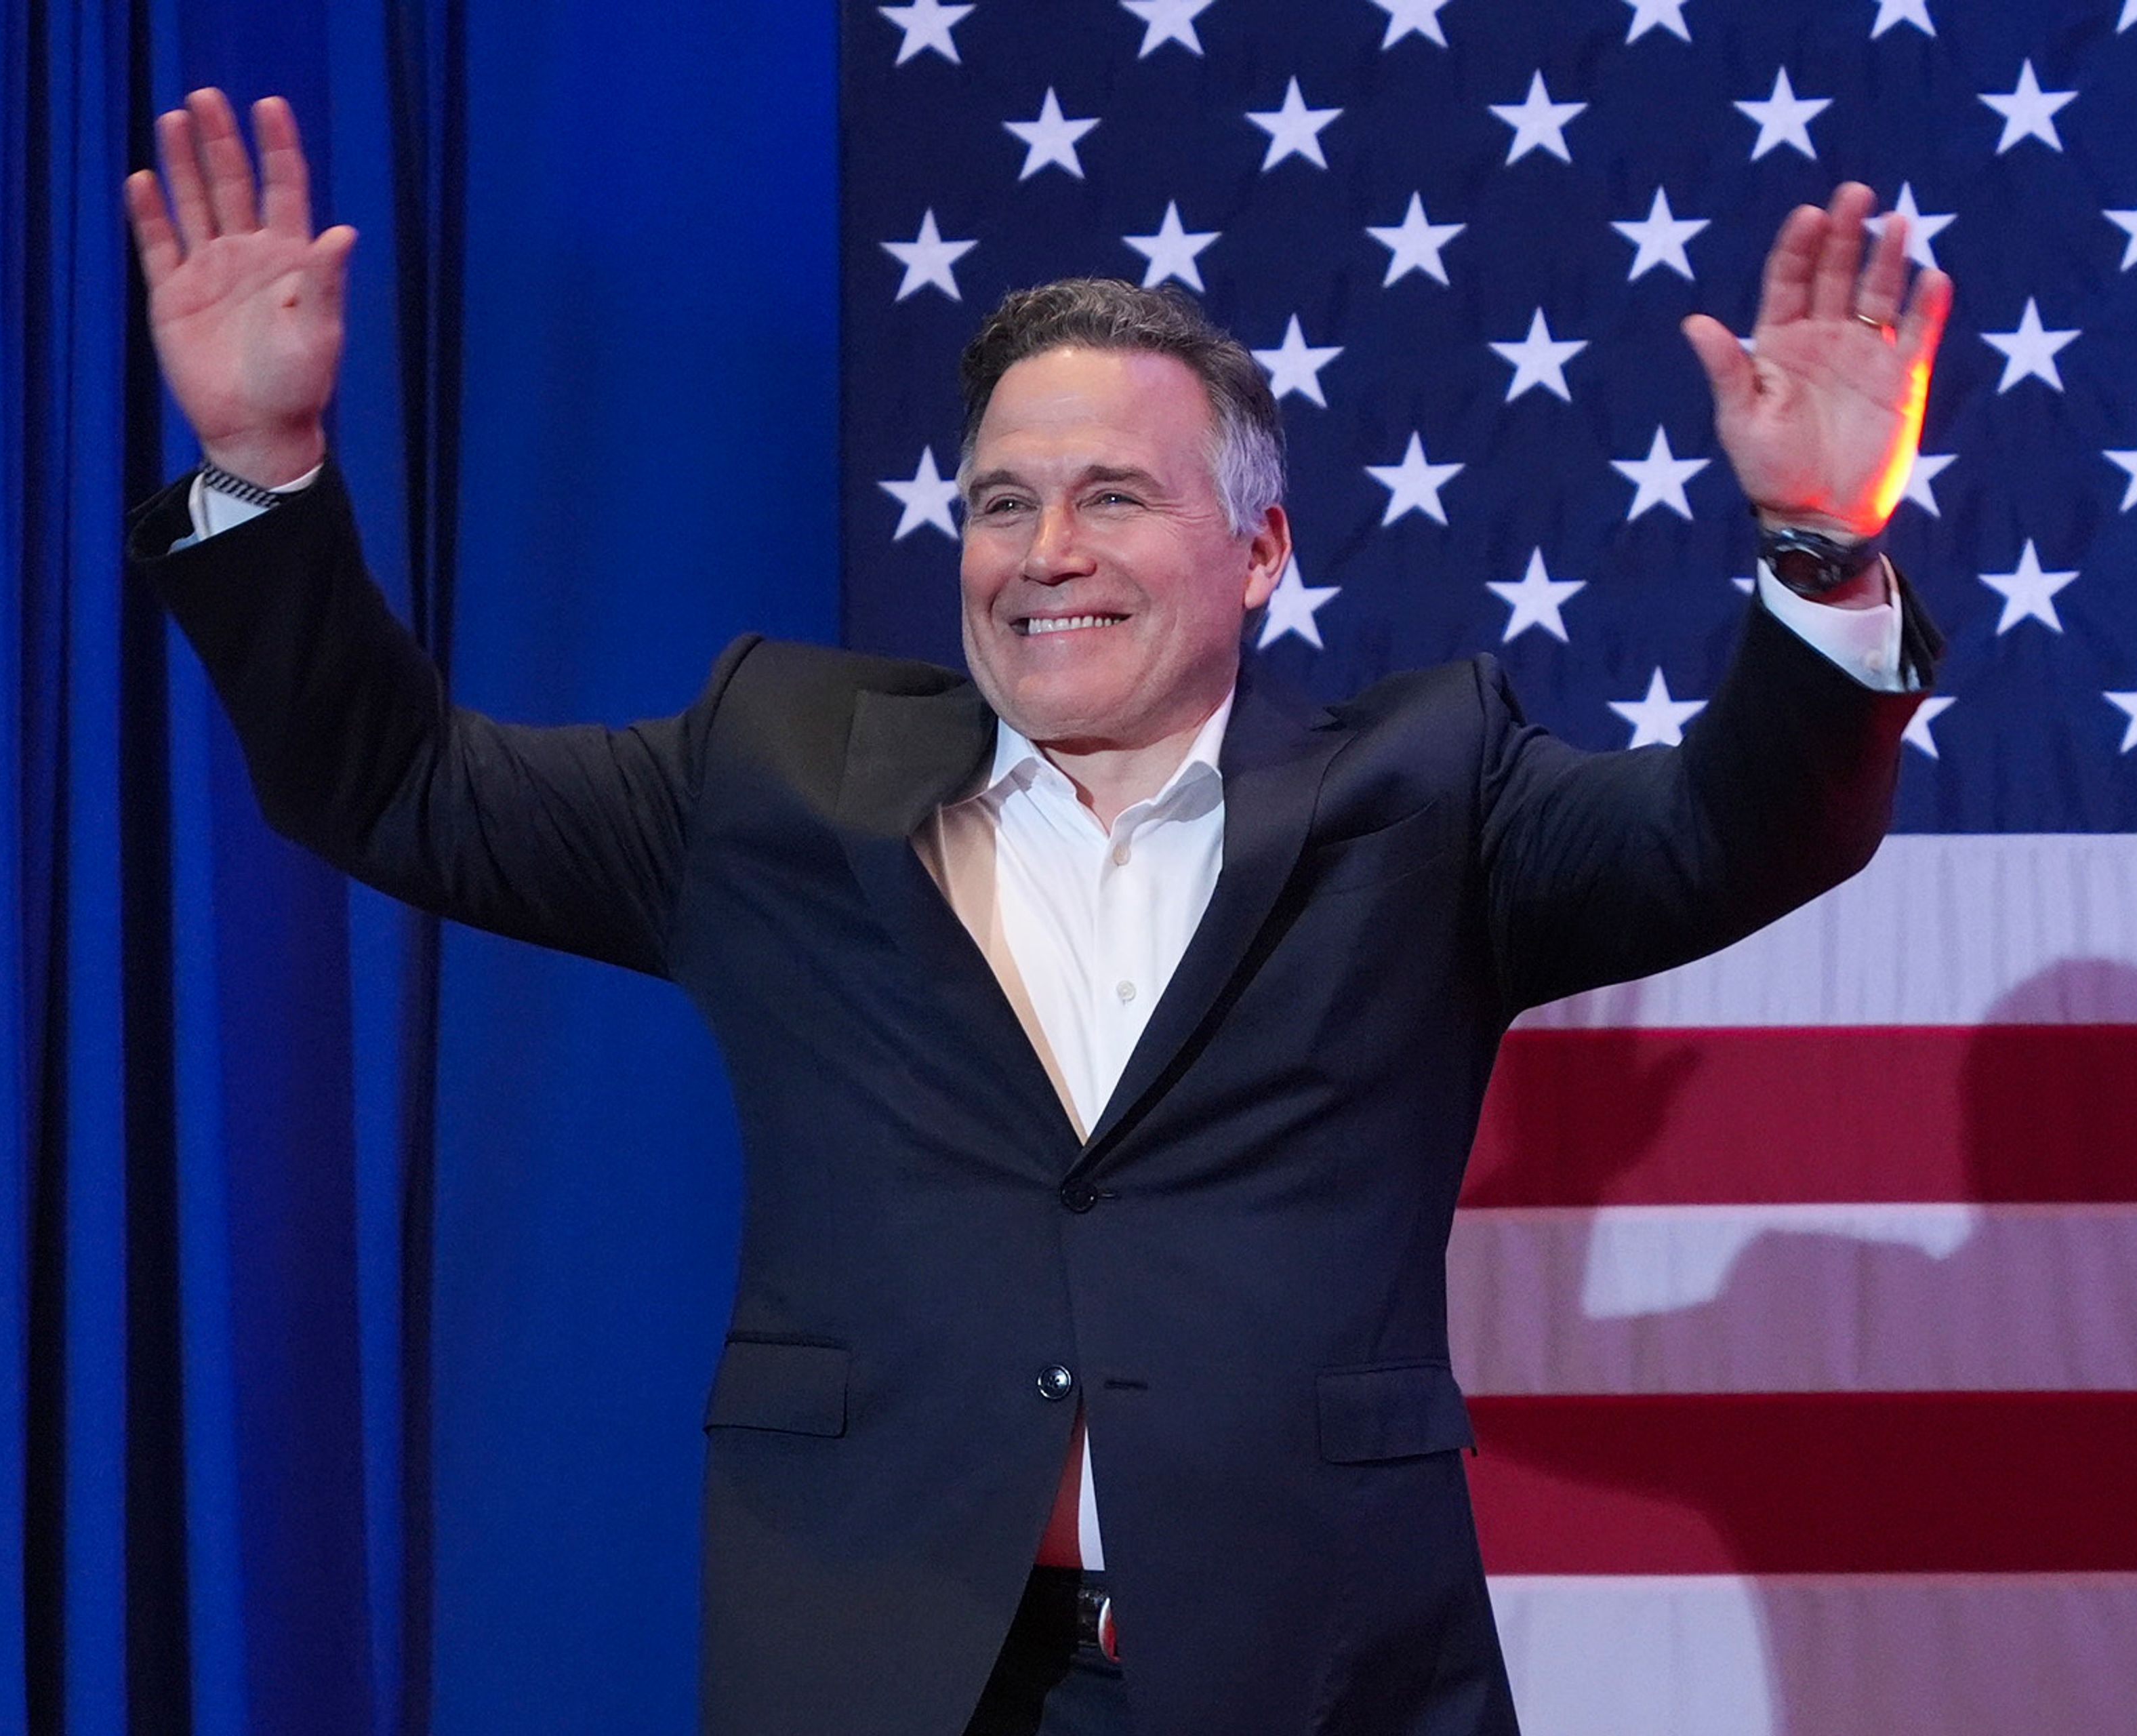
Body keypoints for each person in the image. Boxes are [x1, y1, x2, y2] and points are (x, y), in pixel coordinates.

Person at [125, 87, 1949, 1736]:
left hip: (1310, 1670)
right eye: (1003, 502)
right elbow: (397, 785)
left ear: (1259, 549)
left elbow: (1742, 832)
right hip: (889, 1662)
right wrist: (267, 478)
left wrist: (1821, 549)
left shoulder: (1429, 790)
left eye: (1110, 497)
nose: (1045, 551)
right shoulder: (771, 769)